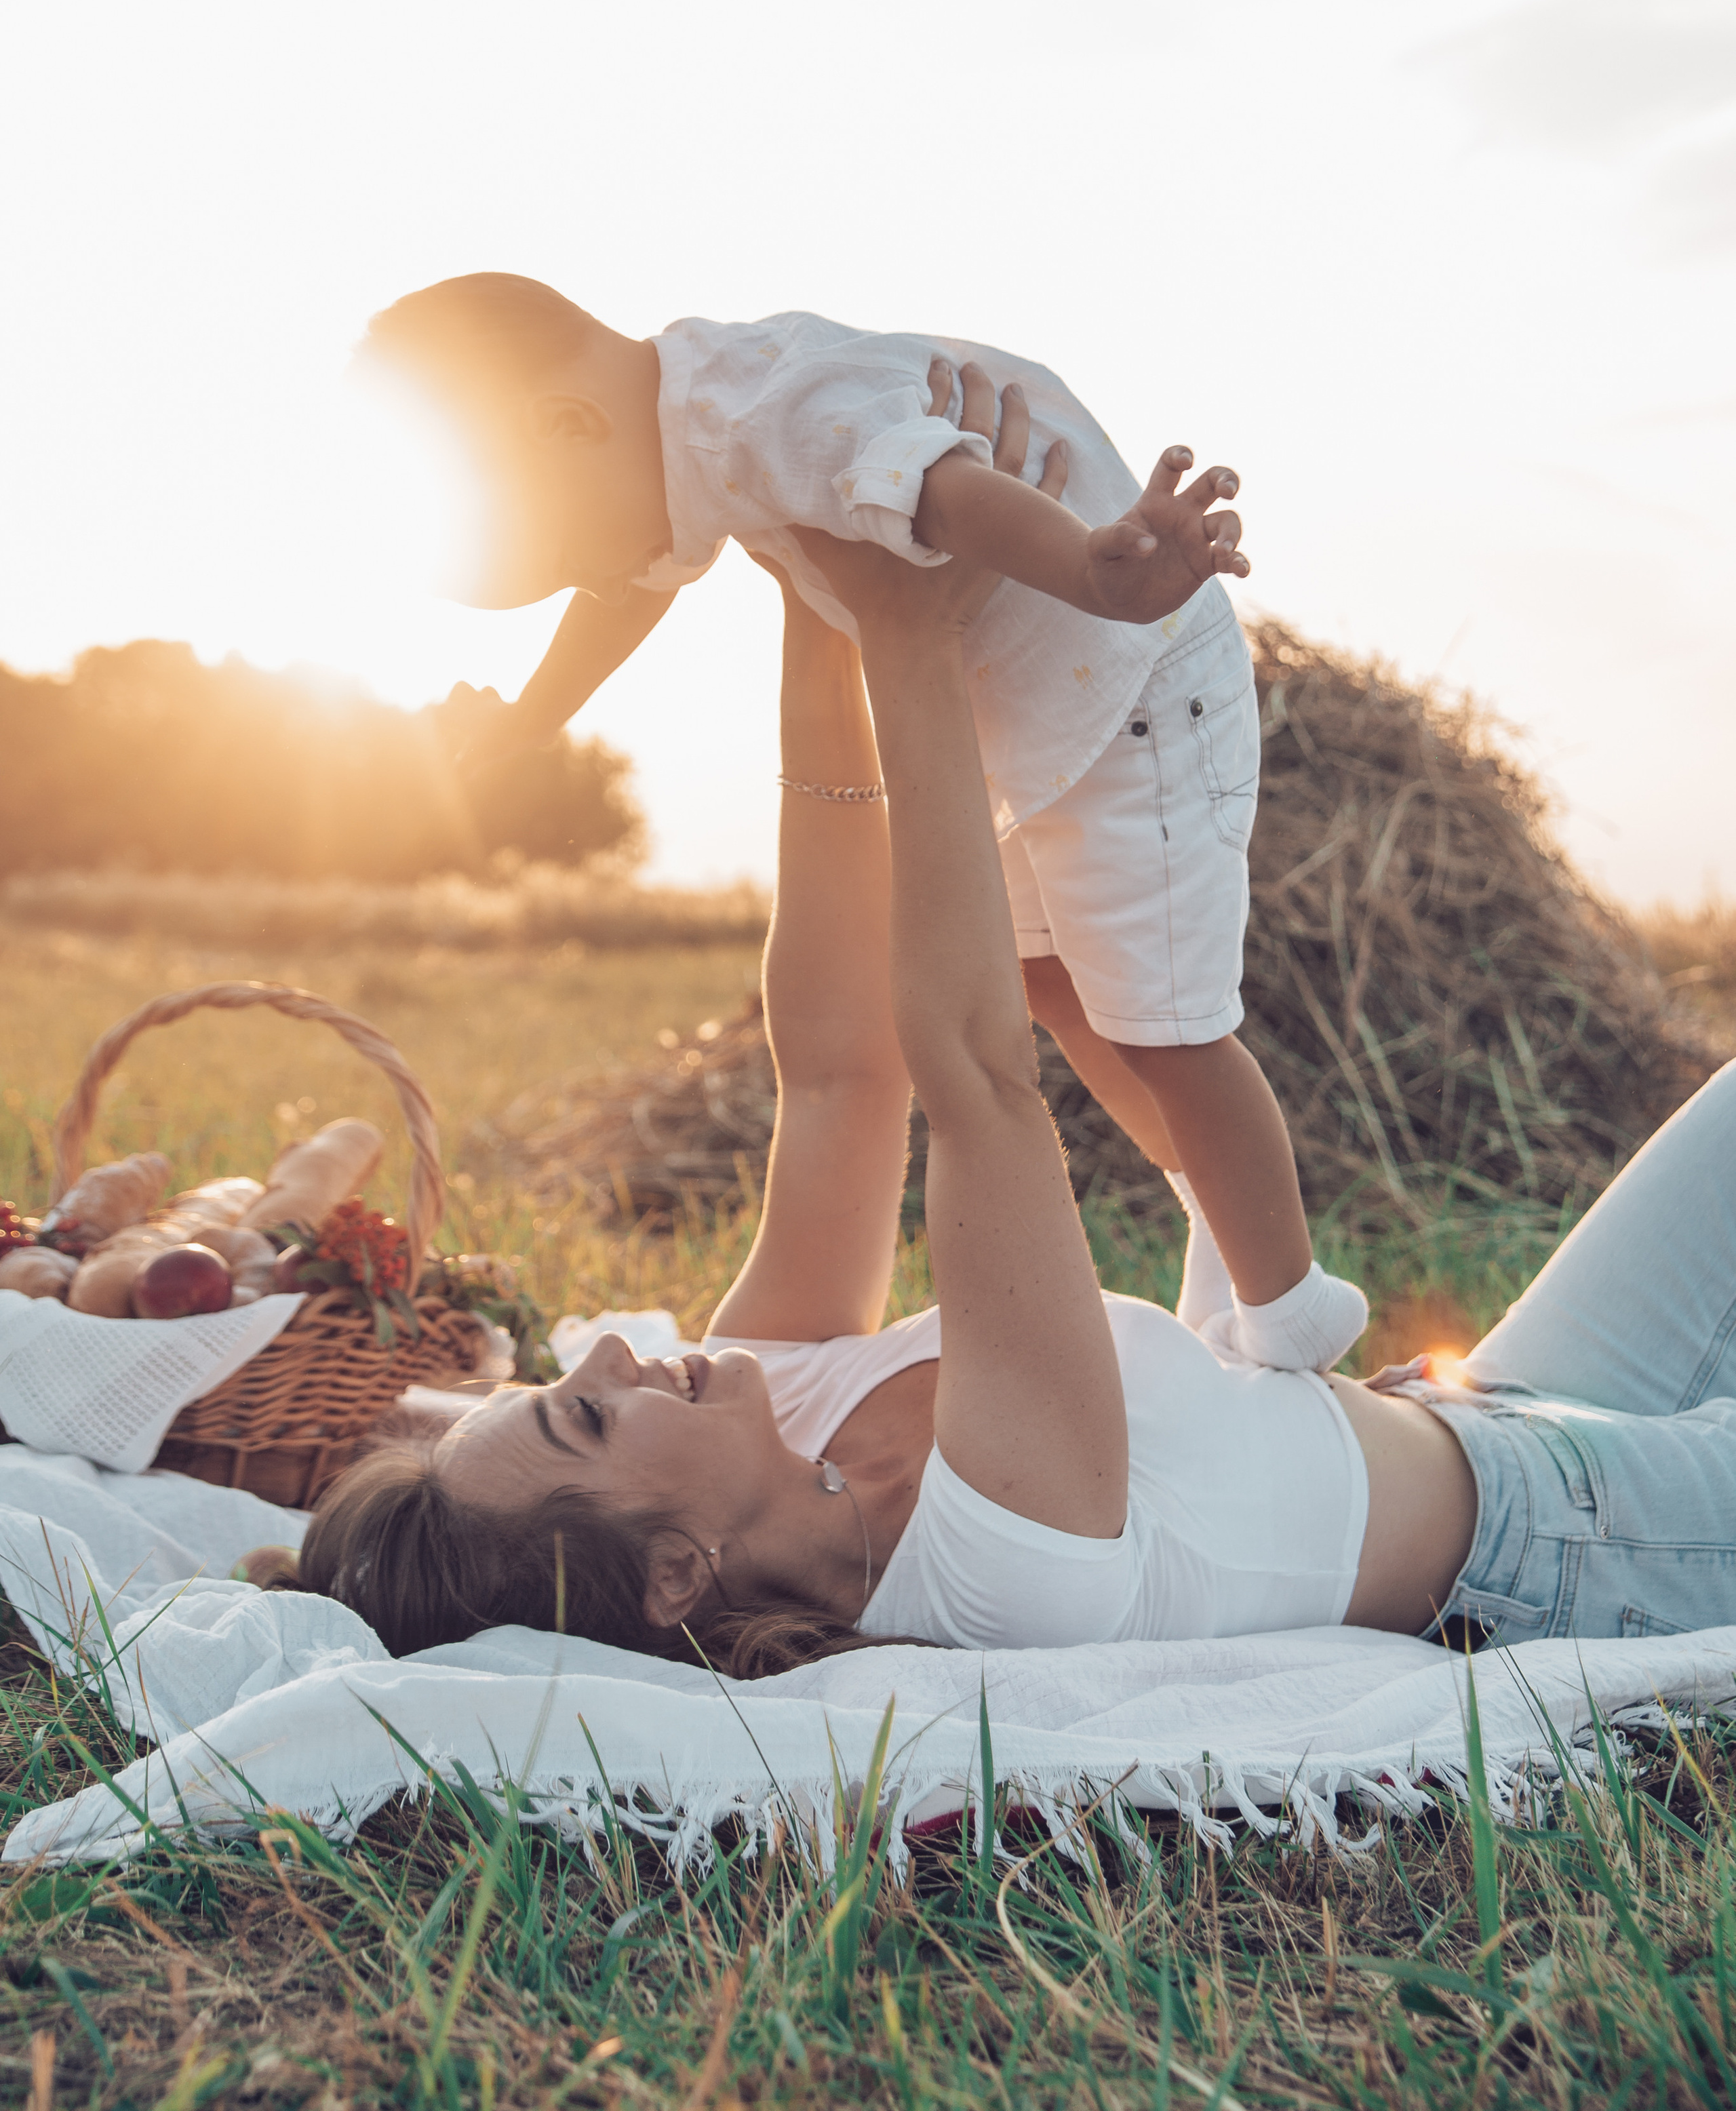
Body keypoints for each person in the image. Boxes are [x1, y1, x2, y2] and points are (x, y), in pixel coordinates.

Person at [282, 382, 1736, 1677]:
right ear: (673, 1575)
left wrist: (818, 611)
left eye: (560, 1386)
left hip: (1479, 1406)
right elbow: (976, 1080)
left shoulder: (768, 1385)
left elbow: (836, 1081)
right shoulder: (993, 1578)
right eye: (584, 1424)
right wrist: (908, 651)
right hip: (1578, 1548)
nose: (598, 1360)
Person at [359, 275, 1366, 1375]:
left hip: (1132, 683)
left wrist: (1091, 570)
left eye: (561, 559)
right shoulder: (677, 441)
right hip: (1032, 724)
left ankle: (1291, 1308)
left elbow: (947, 488)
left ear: (565, 429)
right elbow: (630, 585)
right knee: (1056, 991)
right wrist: (532, 721)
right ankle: (1218, 1226)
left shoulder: (779, 410)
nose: (593, 578)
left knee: (1168, 1027)